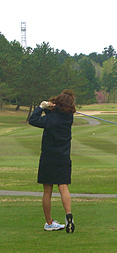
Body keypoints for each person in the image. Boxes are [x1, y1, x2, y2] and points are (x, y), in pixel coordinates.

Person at [29, 90, 76, 233]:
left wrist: (41, 107)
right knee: (63, 187)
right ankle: (69, 215)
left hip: (48, 158)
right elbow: (56, 115)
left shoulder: (51, 119)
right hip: (63, 157)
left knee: (47, 191)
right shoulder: (69, 118)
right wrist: (51, 108)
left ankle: (49, 223)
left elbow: (33, 119)